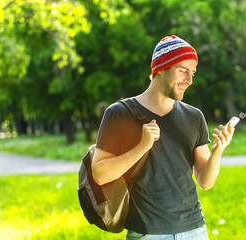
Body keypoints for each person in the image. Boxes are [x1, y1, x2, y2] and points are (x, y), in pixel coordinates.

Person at [91, 35, 236, 240]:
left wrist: (217, 152)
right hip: (148, 233)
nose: (189, 80)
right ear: (160, 68)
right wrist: (142, 146)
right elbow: (100, 175)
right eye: (182, 71)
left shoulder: (194, 117)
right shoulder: (119, 113)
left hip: (194, 230)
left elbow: (205, 182)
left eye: (192, 73)